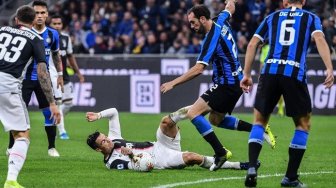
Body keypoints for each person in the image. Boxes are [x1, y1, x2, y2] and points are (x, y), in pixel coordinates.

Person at [160, 1, 275, 171]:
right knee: (216, 119)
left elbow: (199, 68)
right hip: (235, 82)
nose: (191, 26)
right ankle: (260, 128)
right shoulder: (220, 19)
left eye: (193, 22)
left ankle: (220, 152)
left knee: (193, 113)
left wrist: (173, 83)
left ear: (203, 18)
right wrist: (231, 2)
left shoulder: (211, 37)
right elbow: (229, 8)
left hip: (226, 84)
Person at [240, 0, 334, 187]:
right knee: (303, 124)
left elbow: (252, 44)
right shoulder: (311, 17)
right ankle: (290, 177)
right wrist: (329, 68)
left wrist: (246, 74)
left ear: (284, 2)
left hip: (269, 73)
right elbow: (320, 40)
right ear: (304, 1)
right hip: (294, 73)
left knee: (259, 121)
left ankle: (251, 167)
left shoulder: (272, 17)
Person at [0, 5, 60, 188]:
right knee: (22, 135)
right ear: (33, 21)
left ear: (16, 19)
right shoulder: (36, 38)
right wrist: (52, 102)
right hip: (8, 85)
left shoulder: (2, 30)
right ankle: (11, 180)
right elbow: (43, 73)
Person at [86, 108, 259, 171]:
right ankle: (239, 165)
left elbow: (115, 112)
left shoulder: (114, 138)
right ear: (98, 150)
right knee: (192, 157)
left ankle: (201, 107)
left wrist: (99, 115)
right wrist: (131, 155)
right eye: (103, 142)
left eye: (105, 138)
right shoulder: (113, 163)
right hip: (159, 159)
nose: (108, 141)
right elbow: (143, 166)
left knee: (167, 121)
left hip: (159, 144)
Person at [7, 0, 64, 157]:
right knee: (17, 114)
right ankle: (11, 146)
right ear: (32, 15)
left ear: (47, 14)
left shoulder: (53, 34)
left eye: (42, 13)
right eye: (36, 13)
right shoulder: (24, 34)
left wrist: (60, 75)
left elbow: (56, 55)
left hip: (43, 80)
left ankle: (51, 147)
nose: (39, 16)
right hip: (23, 80)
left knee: (49, 113)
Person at [49, 14, 85, 140]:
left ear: (62, 25)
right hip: (52, 76)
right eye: (54, 24)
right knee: (58, 104)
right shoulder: (46, 37)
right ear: (50, 24)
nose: (57, 26)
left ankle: (56, 118)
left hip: (64, 75)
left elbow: (70, 57)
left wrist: (78, 73)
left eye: (59, 23)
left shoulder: (65, 38)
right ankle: (62, 131)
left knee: (69, 104)